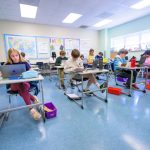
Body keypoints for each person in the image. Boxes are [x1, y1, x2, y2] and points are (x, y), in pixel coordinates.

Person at [5, 48, 41, 120]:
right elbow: (3, 74)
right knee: (22, 87)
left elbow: (32, 72)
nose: (15, 57)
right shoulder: (7, 64)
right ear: (9, 56)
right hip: (13, 85)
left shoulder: (24, 63)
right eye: (12, 56)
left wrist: (27, 73)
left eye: (16, 55)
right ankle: (33, 99)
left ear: (19, 55)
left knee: (22, 87)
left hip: (25, 83)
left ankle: (31, 109)